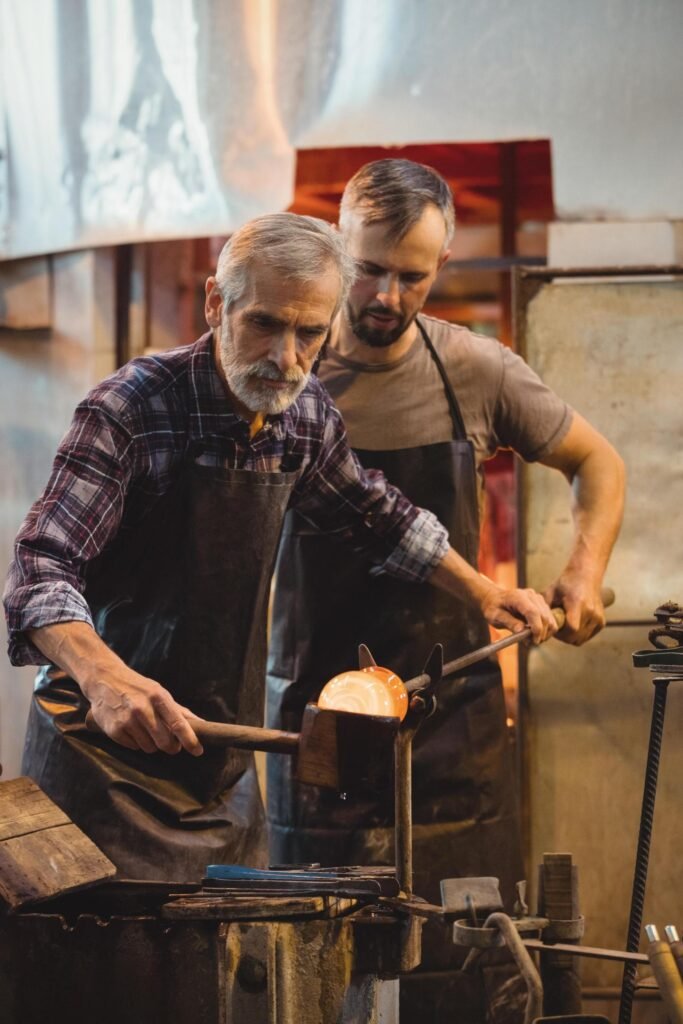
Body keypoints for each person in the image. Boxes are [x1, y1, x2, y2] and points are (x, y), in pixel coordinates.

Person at [3, 212, 557, 882]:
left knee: (234, 943)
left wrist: (487, 593)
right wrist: (104, 677)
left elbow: (378, 517)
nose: (286, 358)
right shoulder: (132, 409)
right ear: (217, 303)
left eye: (309, 333)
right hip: (98, 755)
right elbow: (39, 569)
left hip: (217, 764)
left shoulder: (304, 417)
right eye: (264, 323)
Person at [266, 164, 625, 1015]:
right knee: (320, 976)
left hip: (452, 720)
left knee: (466, 967)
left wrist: (582, 571)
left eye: (412, 275)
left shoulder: (474, 370)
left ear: (442, 264)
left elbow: (597, 462)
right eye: (369, 269)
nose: (387, 296)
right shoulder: (285, 372)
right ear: (338, 249)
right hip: (320, 719)